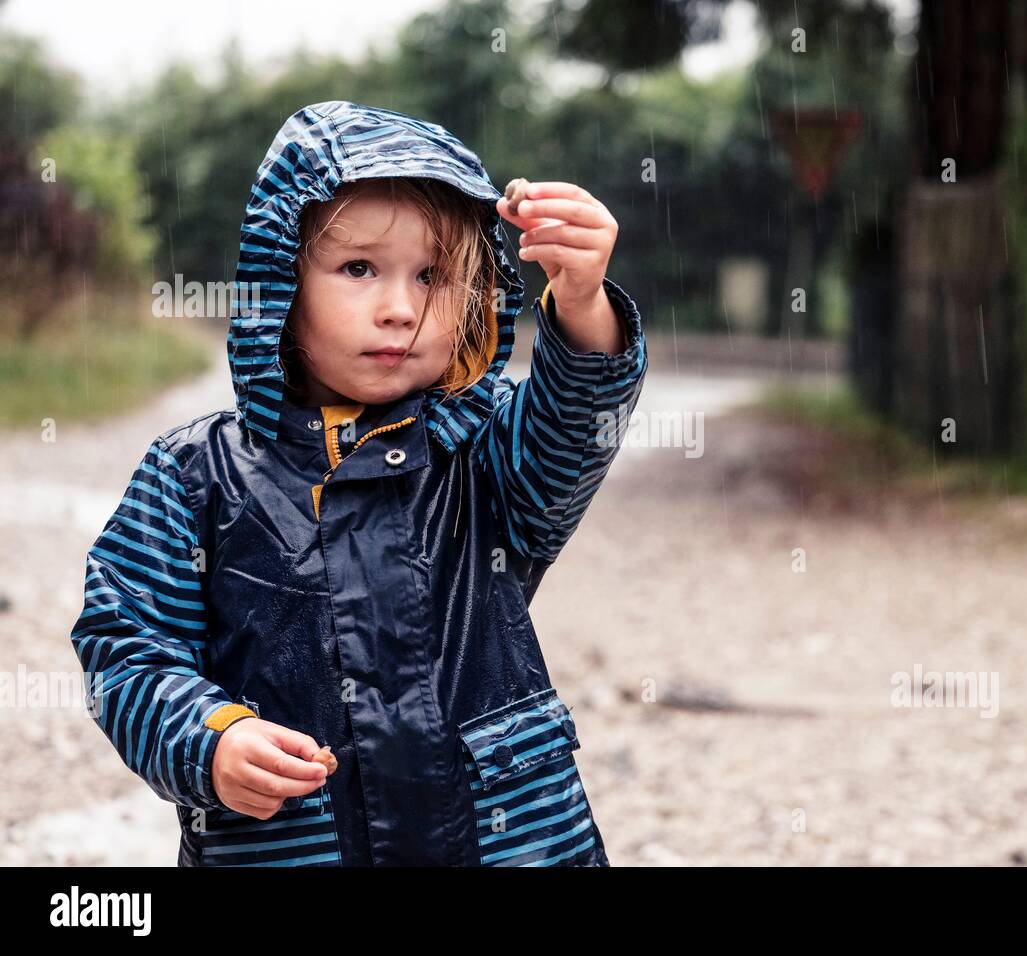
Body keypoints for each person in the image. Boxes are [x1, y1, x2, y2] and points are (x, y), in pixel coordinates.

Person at [68, 101, 647, 866]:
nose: (401, 309)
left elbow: (575, 426)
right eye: (358, 269)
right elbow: (128, 651)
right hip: (294, 846)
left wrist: (581, 303)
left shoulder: (482, 452)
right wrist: (213, 739)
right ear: (282, 282)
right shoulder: (194, 476)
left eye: (434, 276)